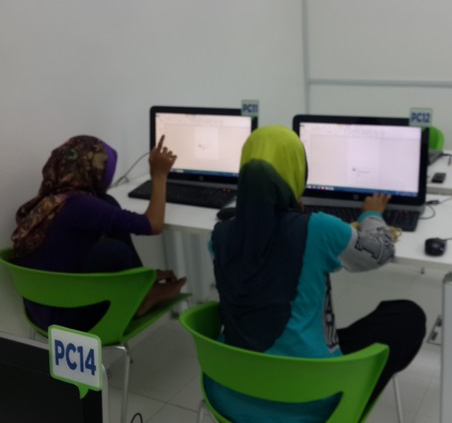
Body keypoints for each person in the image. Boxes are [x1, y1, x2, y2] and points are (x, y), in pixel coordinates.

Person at [208, 125, 426, 422]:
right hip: (310, 400)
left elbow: (264, 246)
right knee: (406, 315)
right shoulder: (318, 228)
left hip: (230, 393)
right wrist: (372, 214)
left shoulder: (219, 237)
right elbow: (381, 251)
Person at [11, 134, 187, 331]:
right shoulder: (81, 205)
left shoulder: (47, 202)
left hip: (42, 310)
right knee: (114, 251)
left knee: (109, 208)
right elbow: (153, 225)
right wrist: (159, 175)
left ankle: (142, 289)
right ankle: (140, 297)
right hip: (66, 317)